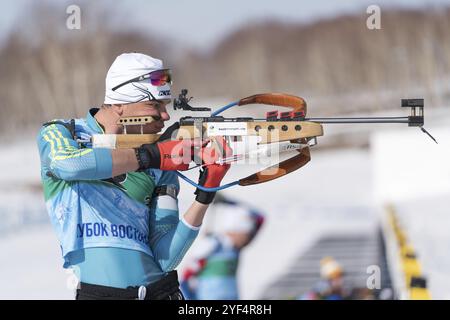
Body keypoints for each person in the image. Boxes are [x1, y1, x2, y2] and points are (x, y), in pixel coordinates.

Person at [36, 52, 231, 300]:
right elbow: (69, 165)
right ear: (119, 104)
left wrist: (206, 192)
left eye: (165, 106)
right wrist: (149, 156)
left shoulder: (162, 161)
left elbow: (165, 258)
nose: (165, 116)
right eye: (154, 105)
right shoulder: (63, 133)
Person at [180, 194, 265, 300]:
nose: (248, 237)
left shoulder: (235, 248)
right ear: (234, 231)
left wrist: (229, 202)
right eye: (245, 233)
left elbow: (260, 218)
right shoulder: (213, 244)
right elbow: (187, 276)